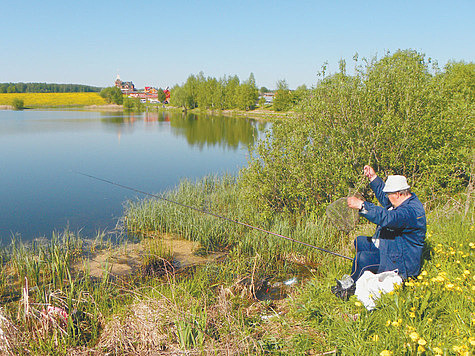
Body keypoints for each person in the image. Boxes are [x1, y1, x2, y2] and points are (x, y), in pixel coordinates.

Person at [331, 165, 427, 300]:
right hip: (393, 248)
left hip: (402, 262)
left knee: (363, 258)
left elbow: (388, 218)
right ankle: (363, 276)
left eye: (389, 194)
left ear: (398, 194)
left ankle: (349, 288)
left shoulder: (410, 211)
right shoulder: (402, 200)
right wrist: (373, 178)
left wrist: (362, 206)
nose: (387, 197)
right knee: (360, 241)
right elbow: (384, 198)